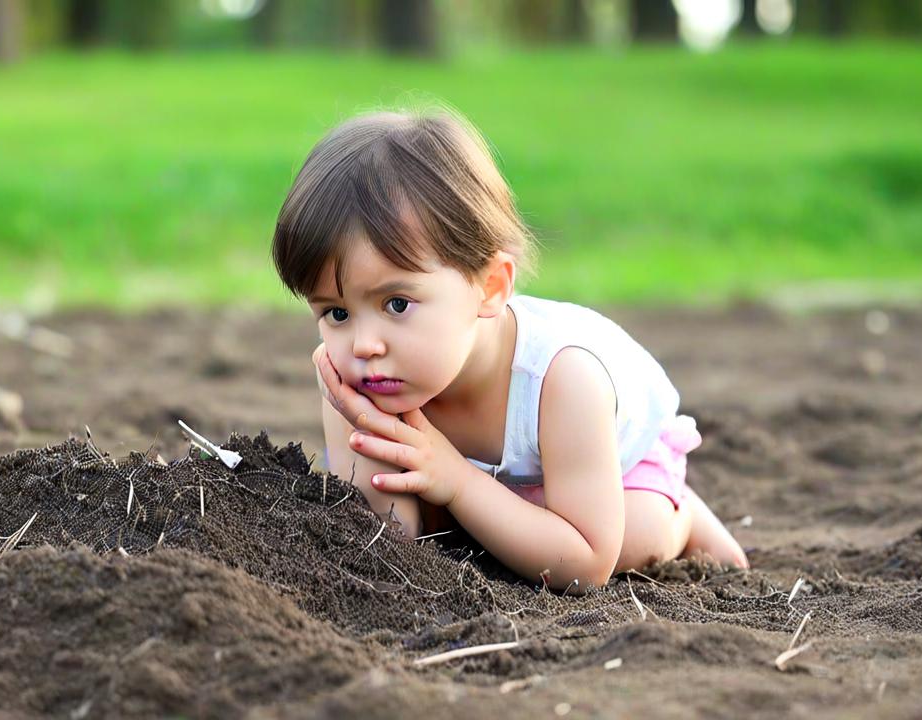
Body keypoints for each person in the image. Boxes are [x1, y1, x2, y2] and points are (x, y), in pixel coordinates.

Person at [269, 105, 748, 594]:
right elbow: (388, 537)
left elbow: (586, 564)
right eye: (336, 313)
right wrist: (359, 422)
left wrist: (455, 480)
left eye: (397, 303)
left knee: (629, 542)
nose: (365, 346)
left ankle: (681, 513)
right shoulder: (359, 372)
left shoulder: (563, 377)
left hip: (613, 472)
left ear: (491, 287)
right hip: (479, 477)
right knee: (452, 530)